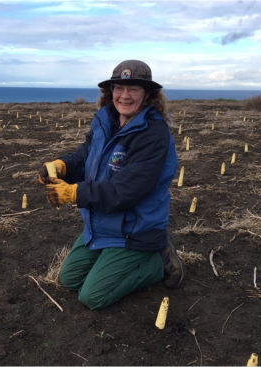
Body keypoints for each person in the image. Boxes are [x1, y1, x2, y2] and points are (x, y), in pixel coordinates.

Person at [38, 60, 185, 310]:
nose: (124, 96)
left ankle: (157, 261)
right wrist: (63, 165)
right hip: (103, 224)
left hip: (135, 230)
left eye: (134, 89)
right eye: (119, 88)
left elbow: (128, 190)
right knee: (69, 279)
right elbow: (84, 156)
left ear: (147, 94)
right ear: (110, 91)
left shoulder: (153, 133)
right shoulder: (105, 121)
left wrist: (74, 192)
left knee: (92, 296)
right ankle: (113, 259)